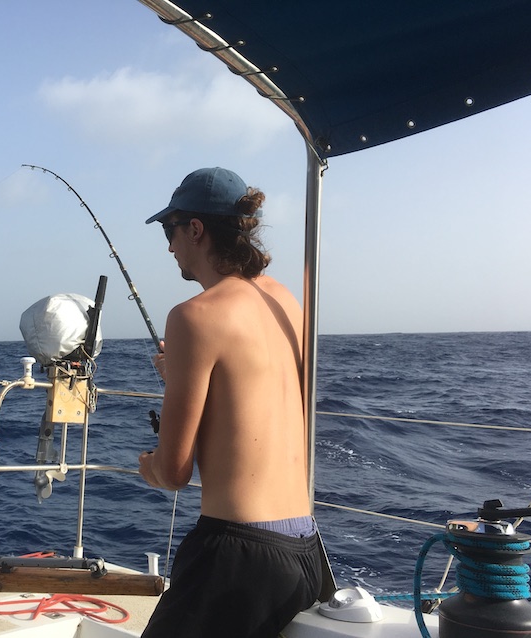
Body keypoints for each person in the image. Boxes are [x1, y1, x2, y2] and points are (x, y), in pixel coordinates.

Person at [138, 167, 322, 637]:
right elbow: (255, 392)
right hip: (305, 550)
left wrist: (149, 467)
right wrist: (181, 374)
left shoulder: (193, 317)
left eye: (170, 230)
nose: (169, 246)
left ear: (195, 229)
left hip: (238, 556)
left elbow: (174, 472)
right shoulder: (284, 300)